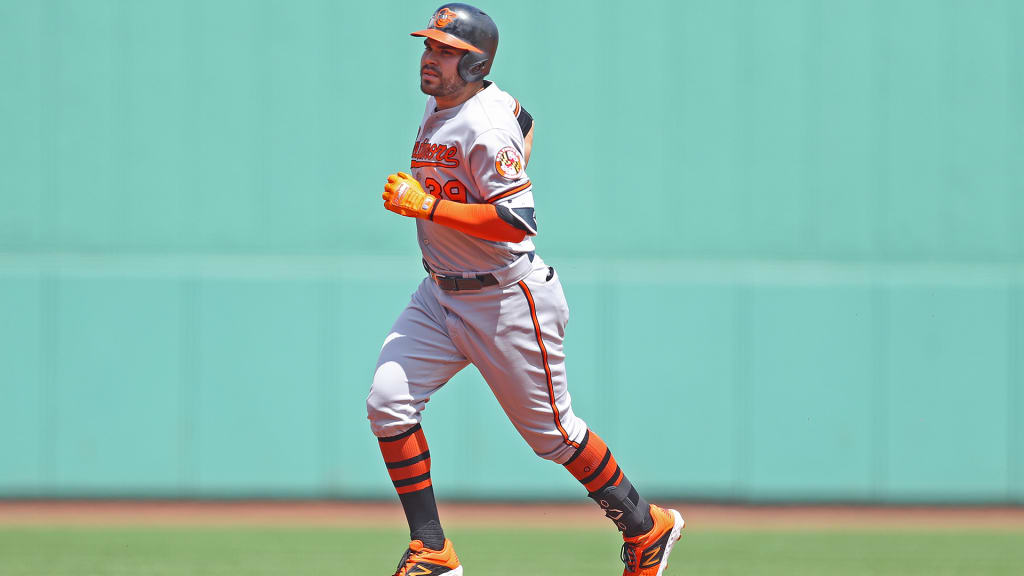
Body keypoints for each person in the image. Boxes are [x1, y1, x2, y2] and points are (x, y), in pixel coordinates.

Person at [368, 4, 685, 575]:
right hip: (439, 295)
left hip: (505, 299)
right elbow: (525, 117)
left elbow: (517, 221)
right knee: (388, 403)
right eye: (429, 46)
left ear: (475, 64)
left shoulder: (484, 127)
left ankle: (647, 527)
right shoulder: (453, 104)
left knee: (555, 437)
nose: (430, 58)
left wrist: (429, 205)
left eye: (446, 51)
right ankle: (432, 550)